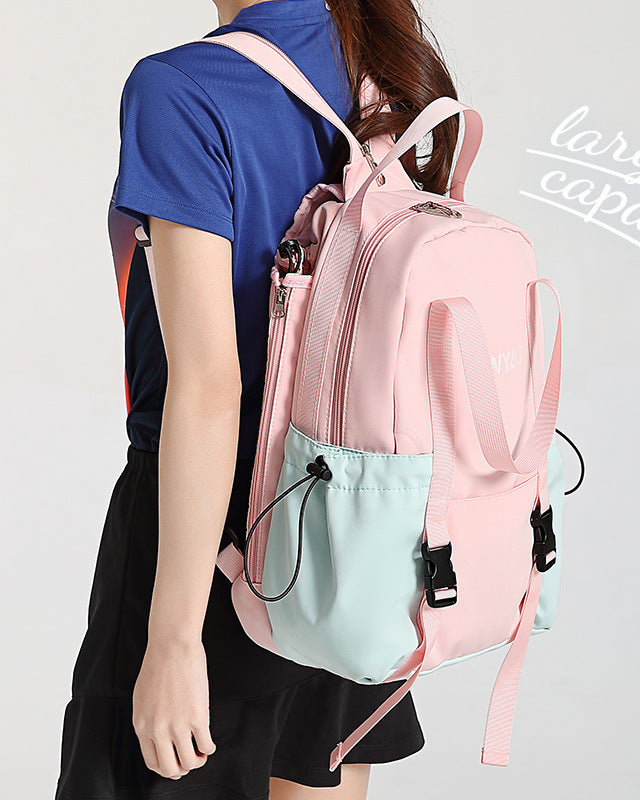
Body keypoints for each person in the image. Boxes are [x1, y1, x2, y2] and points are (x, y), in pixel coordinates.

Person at [54, 0, 460, 798]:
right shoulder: (376, 64)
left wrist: (174, 640)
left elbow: (210, 384)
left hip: (207, 535)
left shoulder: (183, 88)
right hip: (355, 525)